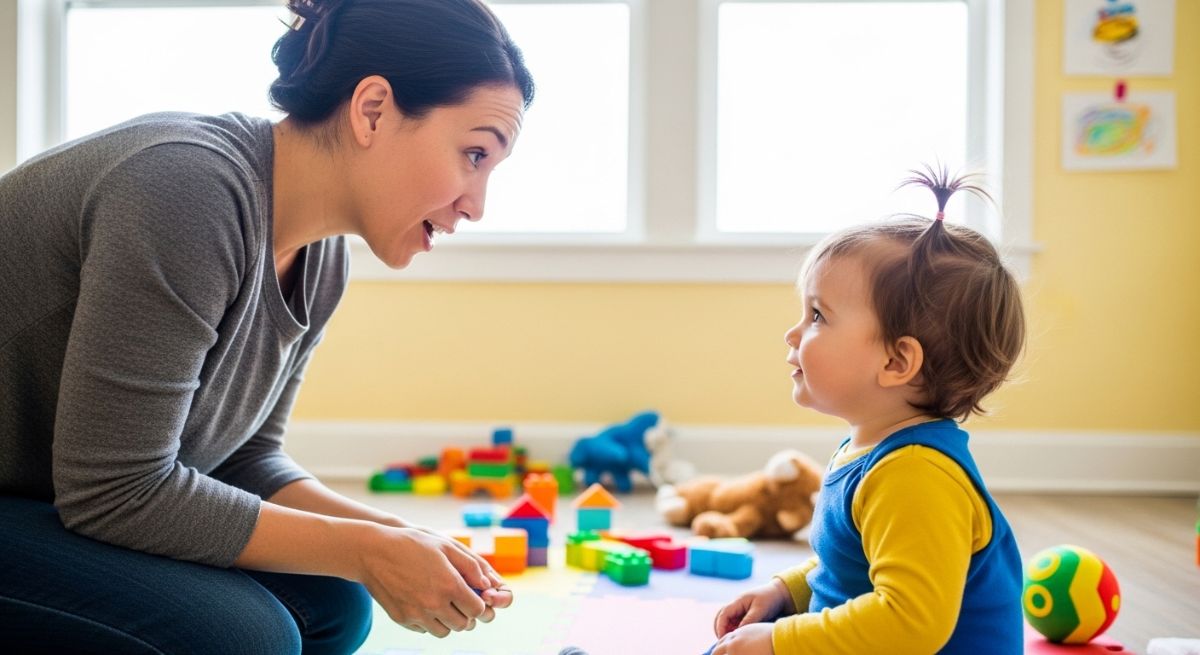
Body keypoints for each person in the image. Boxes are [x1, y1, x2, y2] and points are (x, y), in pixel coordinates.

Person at [0, 0, 533, 652]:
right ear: (372, 109)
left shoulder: (323, 258)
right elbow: (115, 489)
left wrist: (398, 539)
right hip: (56, 492)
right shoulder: (188, 190)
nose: (476, 206)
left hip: (47, 494)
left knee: (334, 603)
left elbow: (245, 456)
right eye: (474, 154)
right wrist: (366, 548)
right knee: (250, 637)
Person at [706, 167, 1026, 654]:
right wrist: (787, 592)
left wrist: (779, 641)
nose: (793, 334)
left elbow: (909, 621)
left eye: (818, 316)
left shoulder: (916, 475)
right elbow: (853, 561)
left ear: (896, 361)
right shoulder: (876, 451)